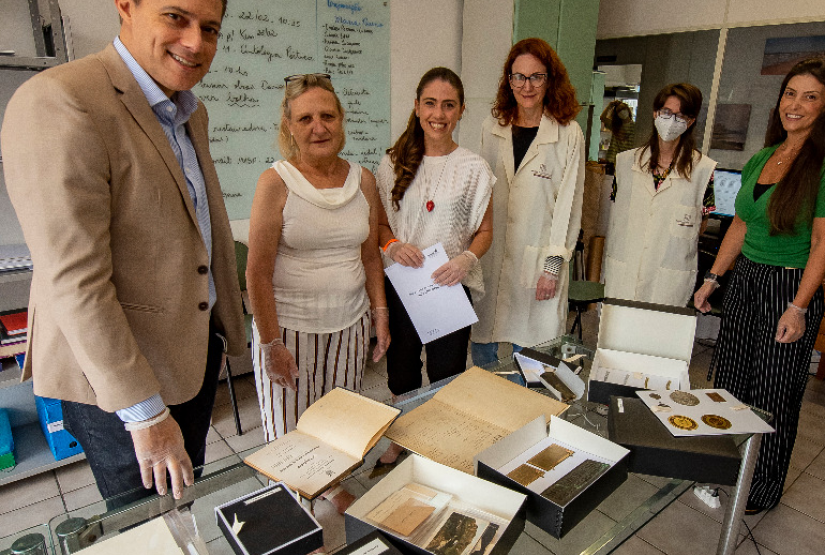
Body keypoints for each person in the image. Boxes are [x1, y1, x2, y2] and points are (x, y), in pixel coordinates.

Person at [0, 0, 244, 502]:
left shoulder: (186, 109)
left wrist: (217, 335)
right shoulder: (59, 99)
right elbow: (74, 280)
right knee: (147, 523)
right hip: (121, 386)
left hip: (187, 361)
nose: (196, 42)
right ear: (127, 6)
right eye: (176, 17)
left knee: (183, 503)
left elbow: (197, 234)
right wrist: (146, 414)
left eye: (210, 28)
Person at [694, 58, 825, 514]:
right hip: (746, 279)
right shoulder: (764, 157)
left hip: (789, 287)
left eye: (811, 97)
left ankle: (762, 486)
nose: (796, 104)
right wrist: (713, 278)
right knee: (729, 382)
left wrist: (800, 306)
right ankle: (725, 467)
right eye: (790, 93)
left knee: (772, 395)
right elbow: (740, 226)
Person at [246, 74, 389, 512]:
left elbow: (368, 257)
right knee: (290, 440)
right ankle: (300, 523)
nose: (318, 127)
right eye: (305, 118)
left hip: (348, 326)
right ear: (289, 126)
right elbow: (257, 272)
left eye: (327, 116)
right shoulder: (276, 183)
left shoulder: (363, 180)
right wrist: (271, 343)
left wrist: (380, 312)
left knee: (337, 427)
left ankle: (329, 490)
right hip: (289, 332)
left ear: (342, 120)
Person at [376, 67, 494, 396]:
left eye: (448, 105)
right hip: (404, 285)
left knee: (447, 375)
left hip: (450, 284)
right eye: (430, 103)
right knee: (402, 373)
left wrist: (466, 259)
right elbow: (380, 225)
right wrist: (394, 246)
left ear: (461, 110)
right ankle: (402, 439)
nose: (438, 114)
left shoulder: (475, 168)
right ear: (417, 107)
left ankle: (437, 443)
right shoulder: (392, 163)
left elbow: (485, 231)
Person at [471, 38, 585, 366]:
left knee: (533, 354)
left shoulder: (567, 133)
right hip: (492, 255)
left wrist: (552, 268)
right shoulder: (492, 127)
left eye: (536, 76)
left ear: (551, 79)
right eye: (518, 77)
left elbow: (569, 205)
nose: (527, 86)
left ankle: (529, 413)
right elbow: (480, 194)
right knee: (483, 343)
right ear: (509, 81)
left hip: (538, 260)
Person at [604, 83, 717, 306]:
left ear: (691, 121)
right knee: (616, 337)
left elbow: (701, 225)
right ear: (656, 113)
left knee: (659, 336)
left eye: (680, 115)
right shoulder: (626, 163)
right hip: (623, 274)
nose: (672, 121)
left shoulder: (703, 170)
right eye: (667, 113)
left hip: (667, 283)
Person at [599, 100, 635, 168]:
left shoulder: (635, 127)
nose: (622, 112)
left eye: (623, 109)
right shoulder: (615, 125)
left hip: (628, 159)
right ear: (617, 114)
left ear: (628, 110)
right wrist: (610, 106)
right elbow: (602, 118)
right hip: (615, 159)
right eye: (619, 111)